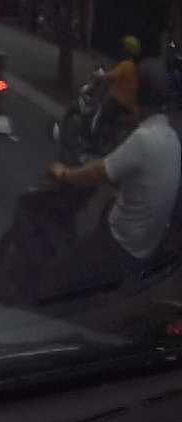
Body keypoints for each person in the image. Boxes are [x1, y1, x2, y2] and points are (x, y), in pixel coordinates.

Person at [48, 63, 181, 284]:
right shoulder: (172, 138)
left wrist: (65, 174)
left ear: (140, 96)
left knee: (57, 274)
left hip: (122, 242)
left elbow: (99, 172)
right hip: (147, 245)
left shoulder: (144, 138)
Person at [97, 35, 144, 117]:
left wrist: (101, 75)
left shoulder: (126, 64)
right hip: (129, 102)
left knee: (102, 113)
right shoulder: (133, 65)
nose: (121, 50)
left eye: (124, 47)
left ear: (127, 50)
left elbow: (112, 75)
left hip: (119, 100)